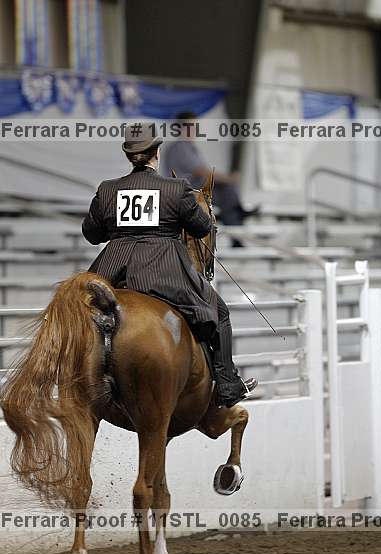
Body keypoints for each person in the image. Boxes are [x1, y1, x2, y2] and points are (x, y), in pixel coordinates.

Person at [82, 122, 257, 408]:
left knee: (72, 314)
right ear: (157, 153)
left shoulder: (108, 189)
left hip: (110, 269)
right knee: (220, 313)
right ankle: (228, 385)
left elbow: (92, 234)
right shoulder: (175, 188)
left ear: (129, 155)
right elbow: (201, 227)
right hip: (162, 269)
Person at [164, 111, 258, 237]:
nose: (193, 130)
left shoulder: (189, 147)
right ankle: (236, 229)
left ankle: (236, 225)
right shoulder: (180, 147)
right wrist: (228, 179)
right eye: (189, 126)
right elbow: (201, 171)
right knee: (227, 193)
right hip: (187, 192)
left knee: (227, 195)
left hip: (194, 189)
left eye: (195, 126)